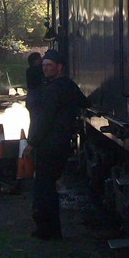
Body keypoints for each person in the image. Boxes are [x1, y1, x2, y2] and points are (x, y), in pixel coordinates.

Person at [24, 49, 90, 239]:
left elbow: (45, 120)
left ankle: (48, 229)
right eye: (44, 66)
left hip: (48, 144)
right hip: (62, 143)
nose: (45, 69)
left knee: (43, 187)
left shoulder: (52, 90)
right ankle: (50, 229)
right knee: (48, 185)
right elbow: (84, 102)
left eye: (49, 66)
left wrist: (32, 143)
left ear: (59, 67)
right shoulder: (69, 86)